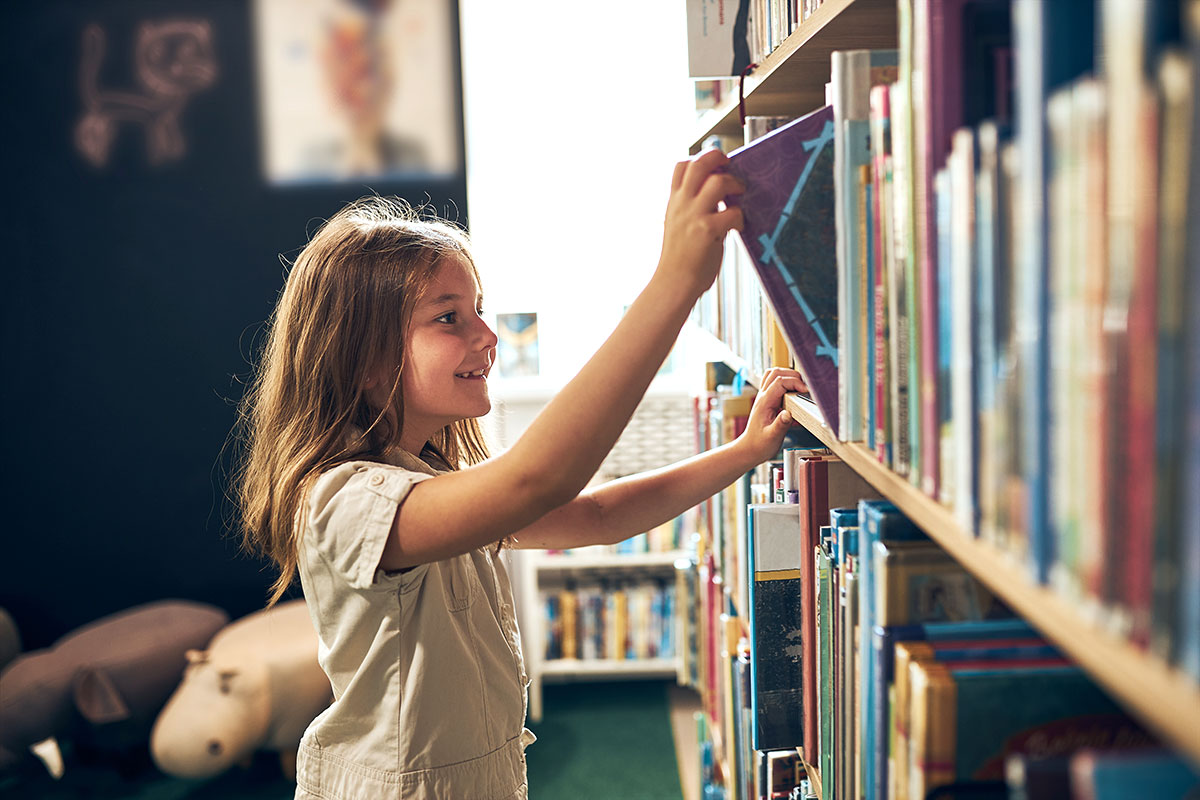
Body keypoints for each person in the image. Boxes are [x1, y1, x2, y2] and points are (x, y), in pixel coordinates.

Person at [234, 148, 807, 800]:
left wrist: (744, 451)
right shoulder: (345, 499)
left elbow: (597, 516)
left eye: (478, 309)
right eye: (449, 317)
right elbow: (536, 480)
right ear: (363, 362)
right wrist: (674, 282)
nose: (487, 335)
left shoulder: (429, 478)